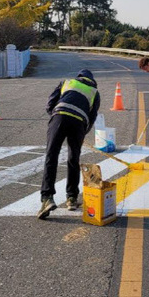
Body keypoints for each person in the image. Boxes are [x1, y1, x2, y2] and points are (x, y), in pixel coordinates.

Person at [38, 69, 101, 219]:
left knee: (51, 157)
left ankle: (47, 198)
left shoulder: (66, 83)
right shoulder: (94, 92)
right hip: (79, 123)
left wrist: (56, 116)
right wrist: (82, 132)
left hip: (59, 117)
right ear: (92, 80)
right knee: (74, 159)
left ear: (79, 77)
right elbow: (92, 117)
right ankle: (72, 198)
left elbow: (50, 104)